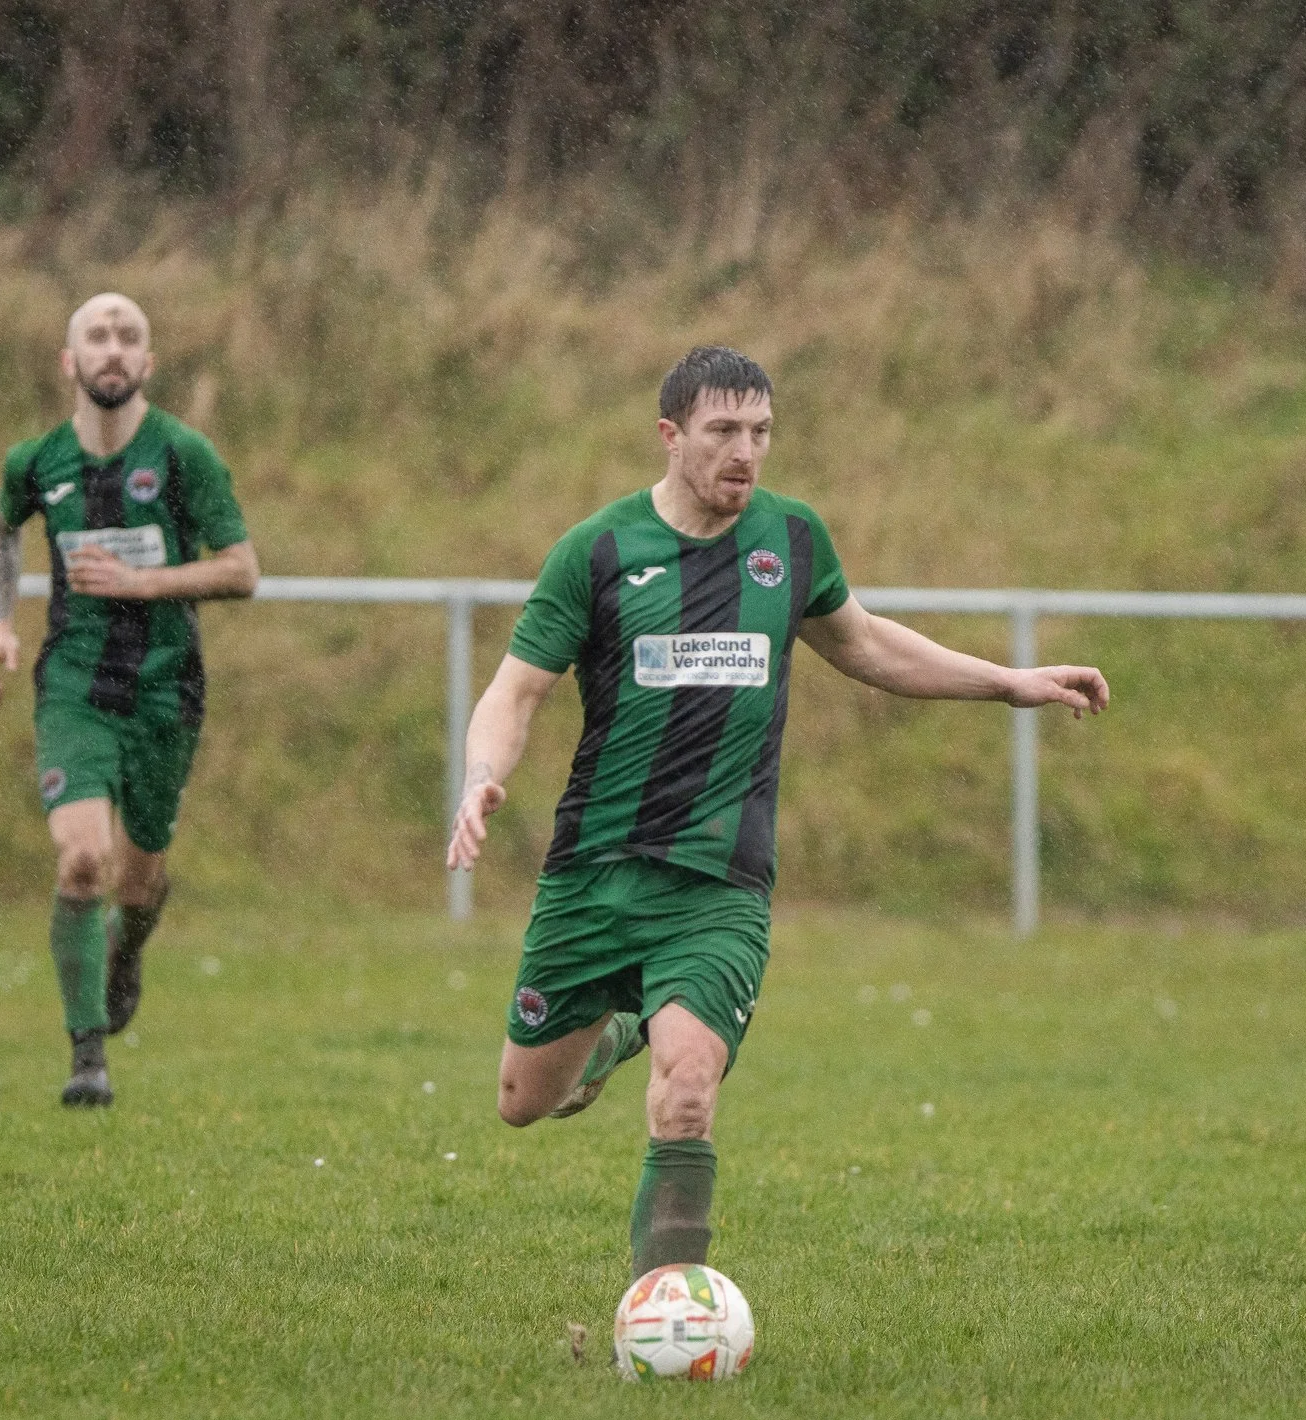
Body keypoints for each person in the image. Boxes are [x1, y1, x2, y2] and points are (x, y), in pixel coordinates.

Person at [447, 345, 1110, 1277]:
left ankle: (669, 1312)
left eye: (760, 431)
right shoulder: (597, 550)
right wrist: (480, 775)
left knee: (687, 1089)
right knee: (523, 1101)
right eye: (723, 431)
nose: (745, 451)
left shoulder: (791, 540)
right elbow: (515, 693)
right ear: (670, 435)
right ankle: (614, 1031)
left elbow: (868, 643)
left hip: (721, 881)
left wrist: (1007, 682)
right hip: (594, 874)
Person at [0, 293, 259, 1107]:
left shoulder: (184, 456)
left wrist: (145, 583)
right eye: (96, 337)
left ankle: (128, 947)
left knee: (137, 882)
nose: (112, 349)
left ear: (147, 363)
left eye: (128, 337)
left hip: (168, 692)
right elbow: (1, 530)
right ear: (69, 362)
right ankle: (87, 1055)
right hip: (74, 687)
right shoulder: (35, 461)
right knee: (83, 860)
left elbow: (242, 569)